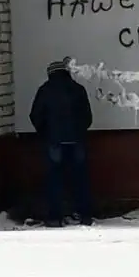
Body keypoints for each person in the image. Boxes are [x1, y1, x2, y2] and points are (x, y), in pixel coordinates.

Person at [30, 58, 93, 227]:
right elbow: (87, 117)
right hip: (76, 140)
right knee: (80, 178)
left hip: (54, 141)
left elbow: (35, 115)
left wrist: (45, 133)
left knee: (54, 178)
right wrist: (79, 132)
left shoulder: (45, 90)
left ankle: (55, 217)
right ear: (66, 72)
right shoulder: (78, 89)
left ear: (50, 74)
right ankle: (84, 215)